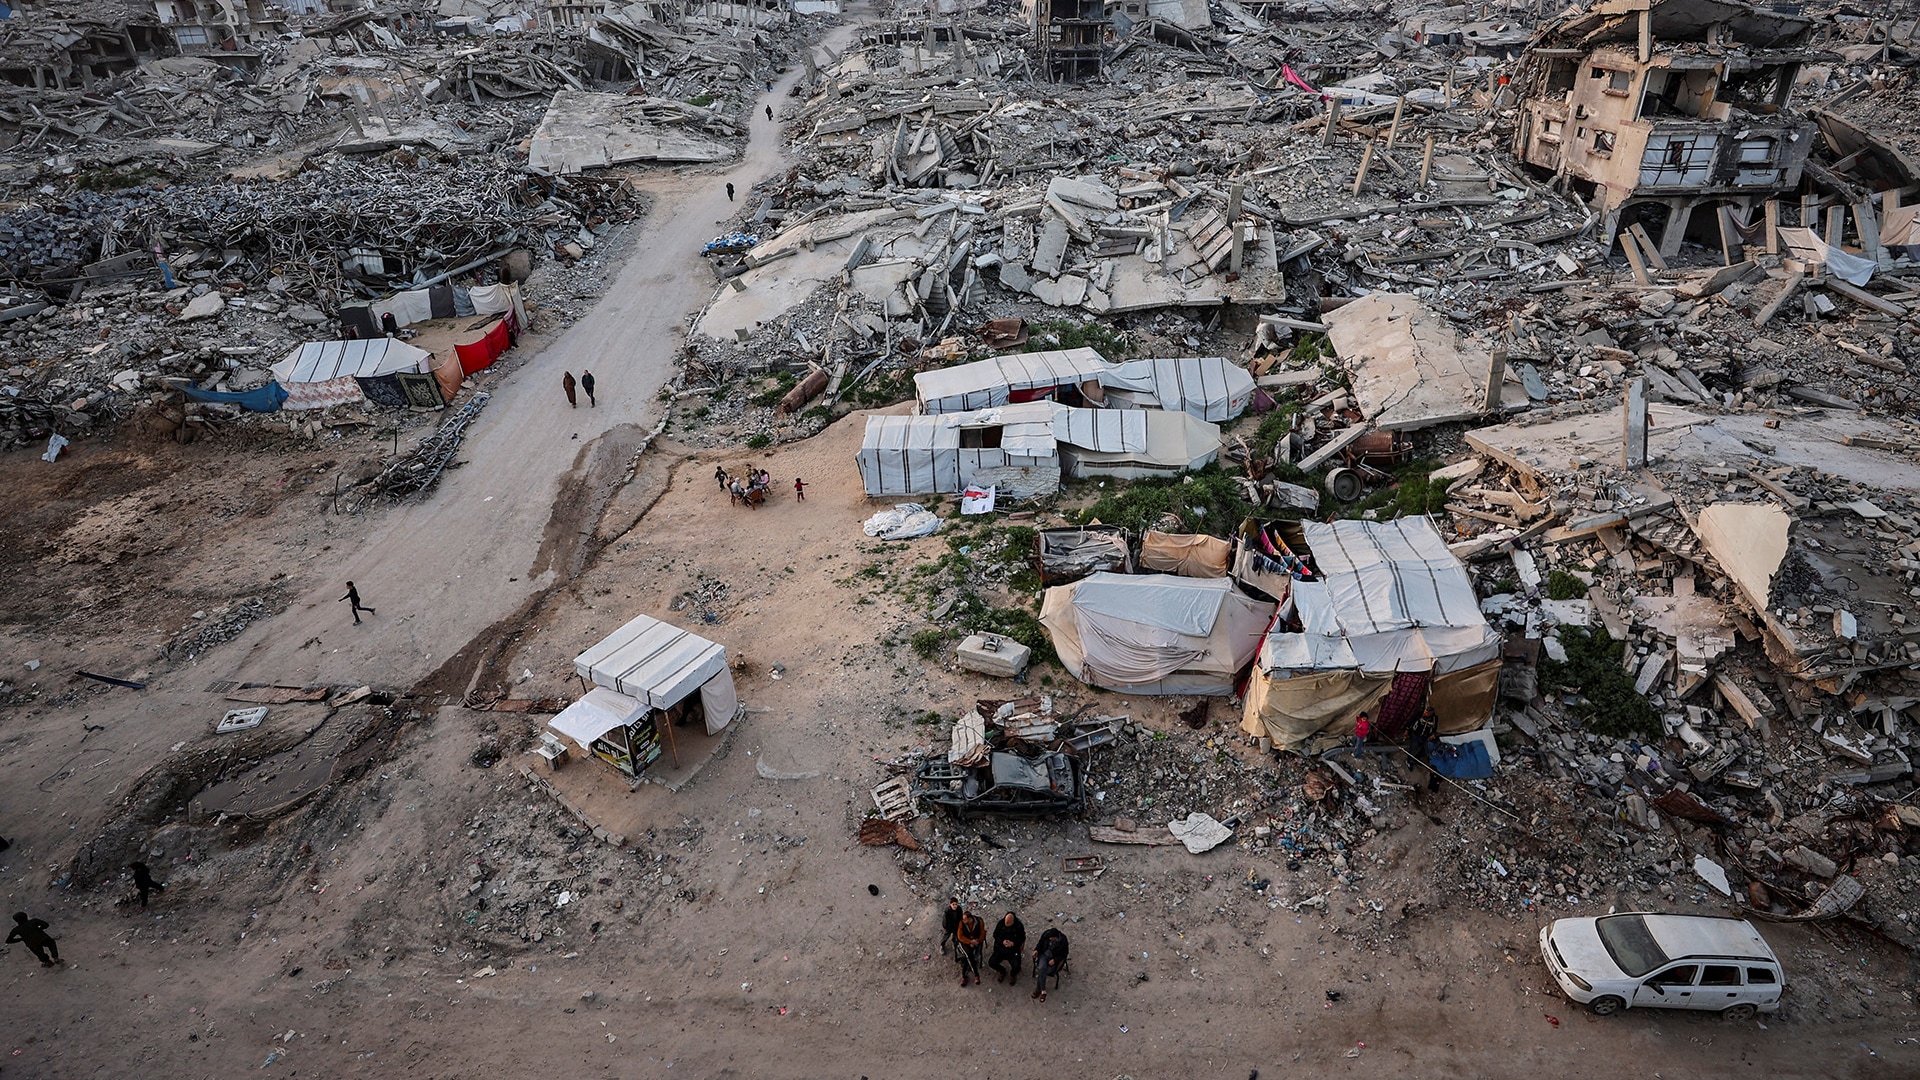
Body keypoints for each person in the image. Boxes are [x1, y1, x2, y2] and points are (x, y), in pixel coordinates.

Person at [987, 911, 1026, 984]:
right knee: (992, 962)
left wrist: (1013, 943)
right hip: (1000, 949)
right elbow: (995, 935)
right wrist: (1002, 941)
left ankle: (1013, 975)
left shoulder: (1019, 926)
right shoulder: (1001, 923)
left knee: (1016, 965)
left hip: (1013, 950)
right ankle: (1002, 971)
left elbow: (1022, 938)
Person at [1031, 927, 1069, 1001]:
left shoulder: (1063, 941)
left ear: (1055, 937)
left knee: (1043, 971)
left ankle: (1039, 990)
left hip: (1054, 959)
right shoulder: (1046, 935)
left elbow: (1064, 954)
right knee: (1042, 968)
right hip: (1044, 956)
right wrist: (1036, 950)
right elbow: (1040, 944)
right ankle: (1043, 990)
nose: (1049, 940)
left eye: (1051, 938)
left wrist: (1055, 960)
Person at [955, 910, 985, 986]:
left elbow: (982, 933)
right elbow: (960, 936)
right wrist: (970, 942)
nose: (963, 920)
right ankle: (976, 974)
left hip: (975, 941)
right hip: (964, 942)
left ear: (970, 919)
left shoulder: (979, 921)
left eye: (965, 919)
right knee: (968, 954)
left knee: (968, 957)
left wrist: (977, 941)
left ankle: (964, 976)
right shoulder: (961, 923)